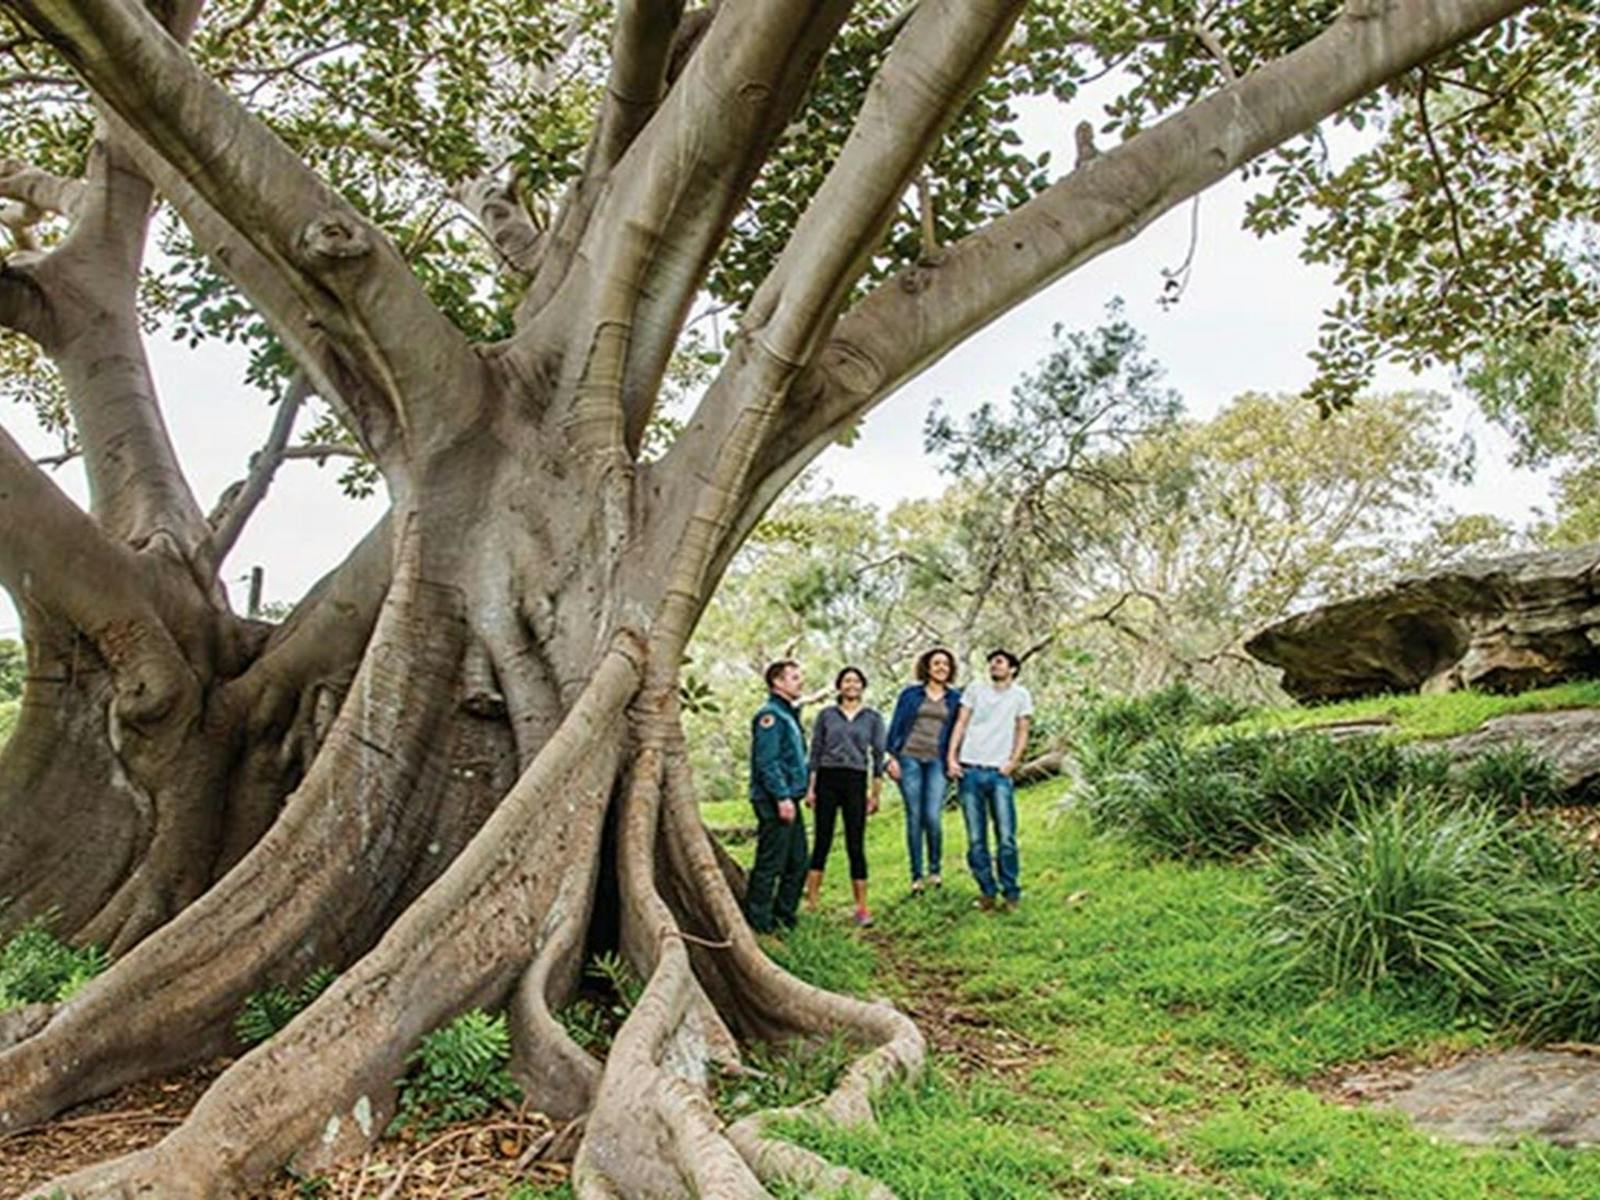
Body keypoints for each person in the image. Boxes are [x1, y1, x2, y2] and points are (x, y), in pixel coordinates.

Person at [946, 648, 1032, 911]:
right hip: (970, 770)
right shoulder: (975, 690)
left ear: (1012, 669)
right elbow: (960, 723)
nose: (994, 666)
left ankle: (1011, 893)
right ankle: (987, 891)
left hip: (999, 774)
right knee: (976, 839)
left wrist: (1013, 762)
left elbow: (1022, 730)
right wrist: (952, 757)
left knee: (1006, 836)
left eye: (999, 662)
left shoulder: (1021, 695)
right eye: (992, 662)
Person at [804, 666, 886, 928]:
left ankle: (861, 908)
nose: (852, 685)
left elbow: (878, 756)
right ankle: (812, 903)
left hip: (855, 780)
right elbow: (815, 753)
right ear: (839, 686)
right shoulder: (826, 715)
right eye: (847, 681)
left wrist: (874, 794)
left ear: (862, 686)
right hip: (828, 778)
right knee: (822, 841)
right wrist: (811, 788)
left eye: (856, 681)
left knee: (855, 844)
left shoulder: (872, 718)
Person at [884, 647, 961, 895]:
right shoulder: (910, 694)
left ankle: (935, 871)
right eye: (936, 663)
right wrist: (889, 759)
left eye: (945, 665)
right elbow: (895, 727)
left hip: (937, 761)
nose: (941, 668)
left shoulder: (955, 698)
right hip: (909, 759)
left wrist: (954, 760)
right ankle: (917, 876)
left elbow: (959, 733)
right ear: (927, 667)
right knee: (914, 817)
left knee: (933, 816)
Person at [745, 659, 811, 934]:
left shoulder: (787, 715)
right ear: (778, 683)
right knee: (770, 861)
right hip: (773, 800)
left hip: (790, 798)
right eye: (794, 677)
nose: (800, 681)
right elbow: (767, 762)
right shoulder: (768, 716)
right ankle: (758, 922)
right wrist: (782, 797)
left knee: (798, 861)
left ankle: (784, 916)